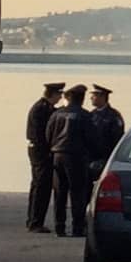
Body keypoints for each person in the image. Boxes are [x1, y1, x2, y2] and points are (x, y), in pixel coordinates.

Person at [47, 84, 93, 238]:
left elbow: (48, 134)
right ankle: (77, 227)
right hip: (77, 156)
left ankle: (59, 227)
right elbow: (91, 138)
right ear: (82, 99)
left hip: (58, 155)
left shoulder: (57, 114)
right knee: (77, 192)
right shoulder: (85, 115)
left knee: (60, 192)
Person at [25, 81, 64, 232]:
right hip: (41, 151)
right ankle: (36, 222)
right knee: (42, 186)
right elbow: (43, 133)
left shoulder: (44, 107)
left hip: (37, 150)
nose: (60, 98)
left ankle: (33, 220)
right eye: (59, 95)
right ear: (53, 94)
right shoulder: (41, 109)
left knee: (37, 185)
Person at [87, 84, 126, 176]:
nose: (91, 98)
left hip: (106, 157)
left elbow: (117, 138)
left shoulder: (113, 116)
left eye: (94, 95)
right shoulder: (91, 114)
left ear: (102, 96)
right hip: (91, 158)